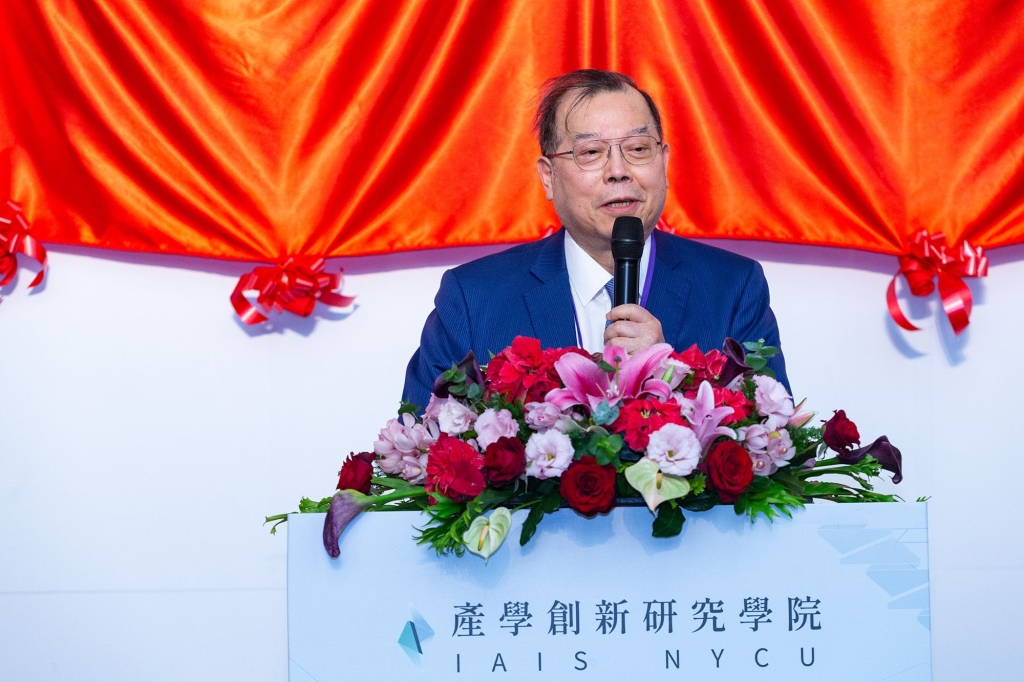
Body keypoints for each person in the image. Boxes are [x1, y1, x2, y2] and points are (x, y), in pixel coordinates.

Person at [402, 69, 788, 409]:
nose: (618, 170)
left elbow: (773, 445)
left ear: (664, 162)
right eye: (591, 152)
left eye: (638, 149)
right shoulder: (473, 298)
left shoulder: (733, 287)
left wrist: (671, 374)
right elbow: (422, 448)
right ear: (548, 176)